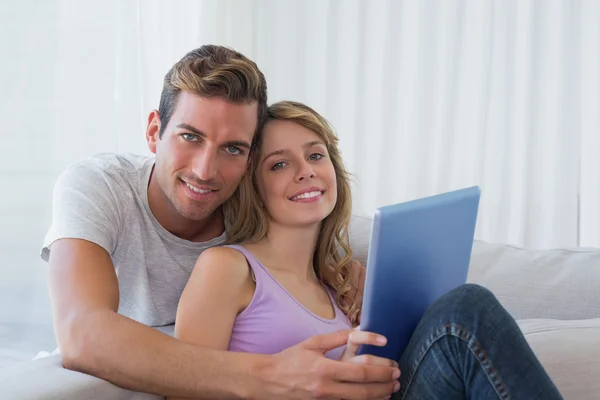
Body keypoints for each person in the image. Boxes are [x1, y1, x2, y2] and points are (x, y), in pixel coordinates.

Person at [42, 44, 399, 400]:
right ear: (154, 131)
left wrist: (344, 266)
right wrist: (274, 377)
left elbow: (330, 222)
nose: (205, 170)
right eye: (190, 137)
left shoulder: (249, 205)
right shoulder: (100, 187)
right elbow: (80, 333)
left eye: (233, 149)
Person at [173, 100, 564, 400]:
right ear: (253, 186)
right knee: (464, 311)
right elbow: (181, 388)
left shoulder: (341, 286)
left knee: (461, 312)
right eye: (279, 165)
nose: (305, 171)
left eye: (314, 155)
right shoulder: (227, 267)